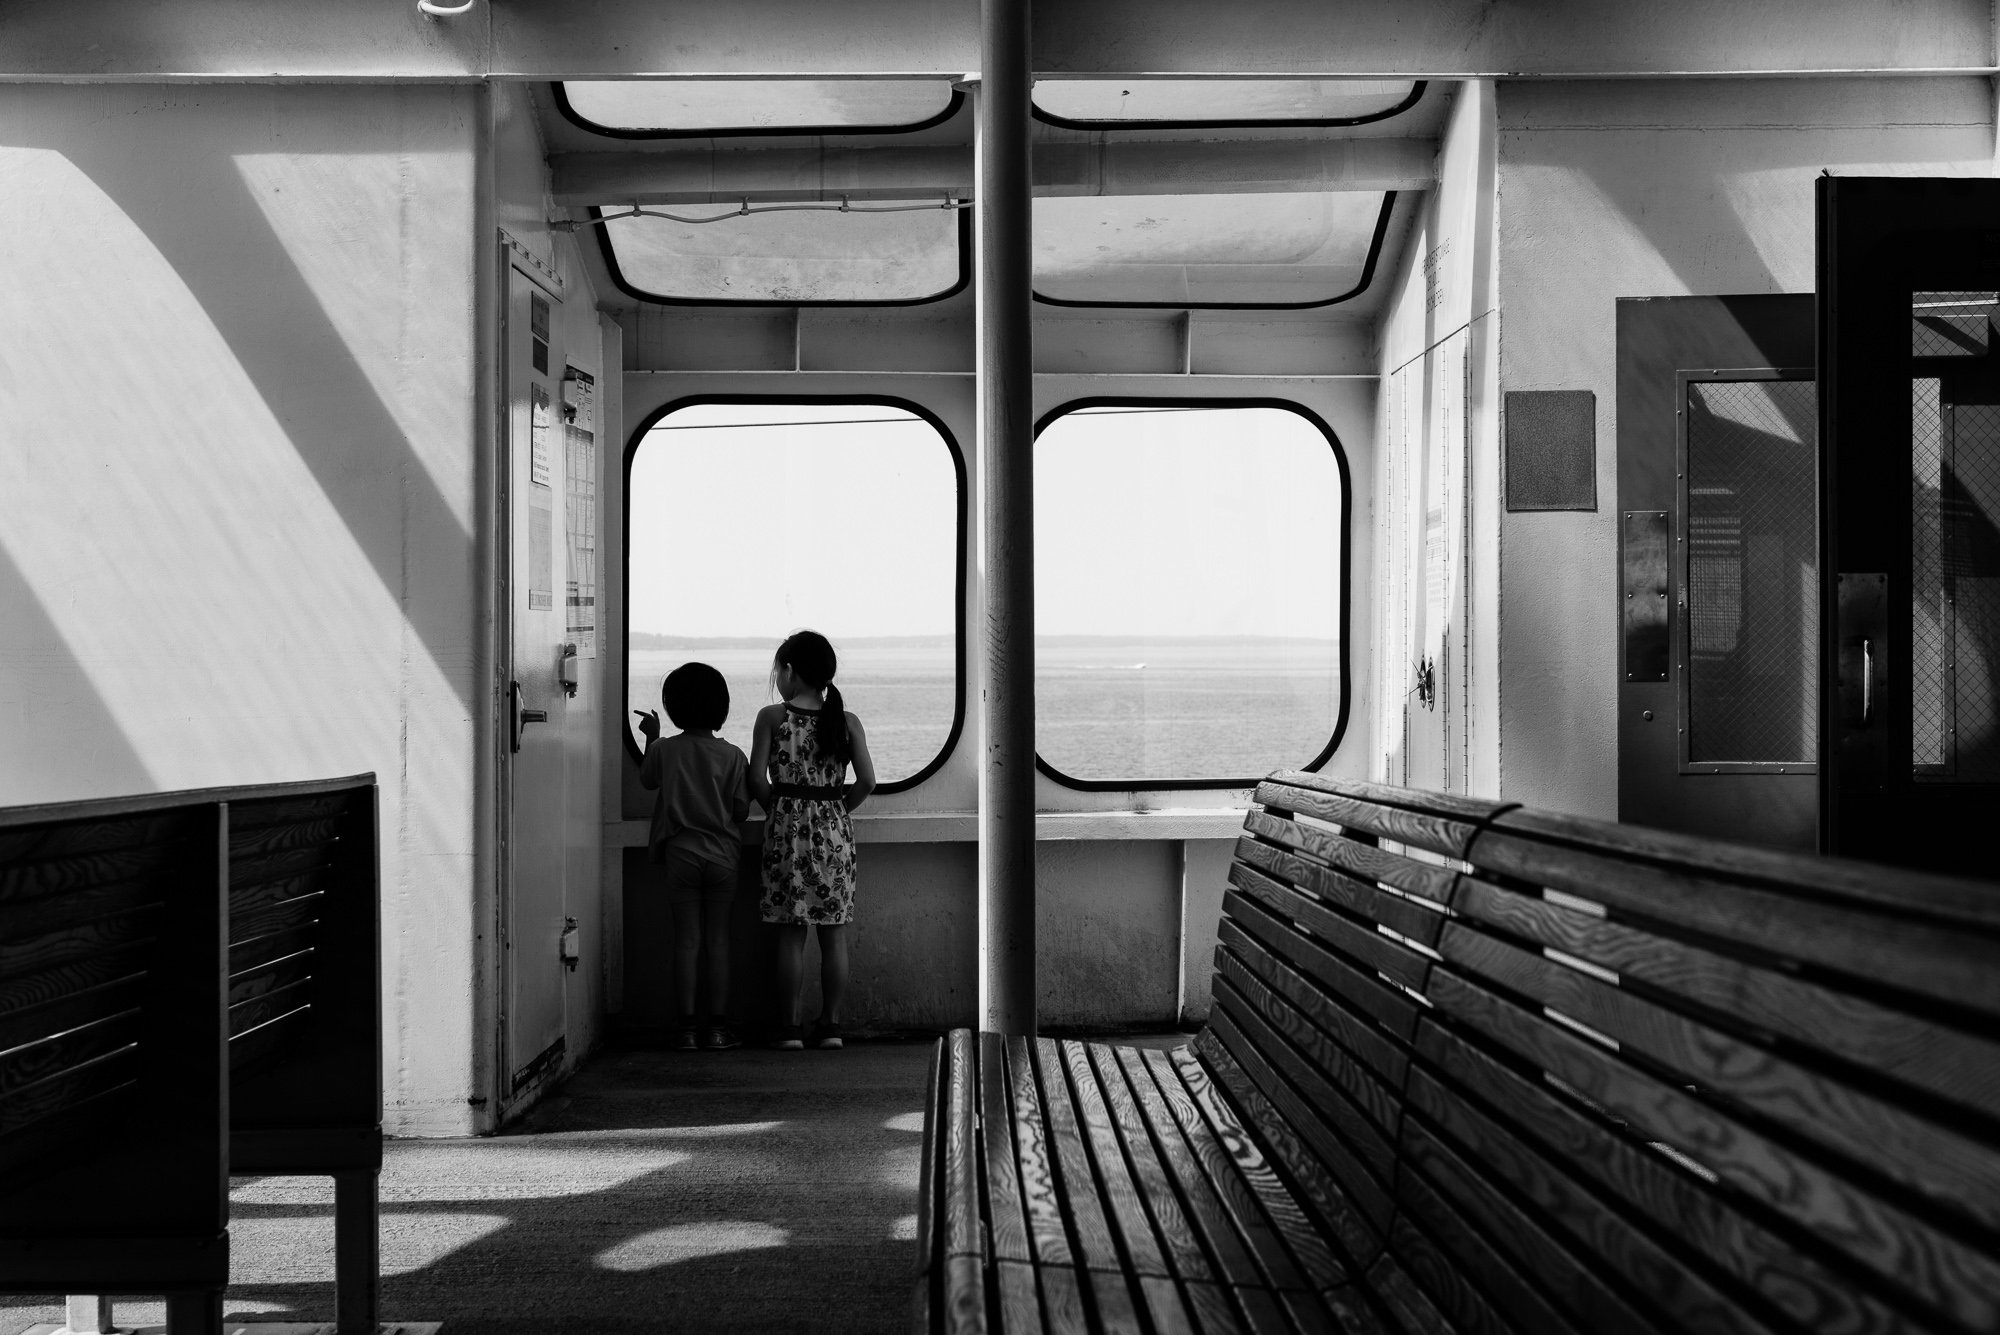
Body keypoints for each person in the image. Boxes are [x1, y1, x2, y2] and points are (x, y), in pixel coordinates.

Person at [748, 630, 876, 1050]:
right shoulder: (846, 720)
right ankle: (832, 1026)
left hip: (786, 831)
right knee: (833, 933)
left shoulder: (772, 718)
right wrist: (834, 810)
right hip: (834, 831)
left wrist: (782, 810)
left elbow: (756, 781)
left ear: (790, 671)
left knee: (790, 933)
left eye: (778, 670)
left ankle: (789, 1028)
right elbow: (867, 782)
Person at [636, 662, 750, 1052]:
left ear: (673, 707)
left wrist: (652, 737)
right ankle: (717, 1030)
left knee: (686, 941)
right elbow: (739, 812)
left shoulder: (666, 750)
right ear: (722, 707)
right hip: (723, 859)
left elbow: (647, 780)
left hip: (681, 856)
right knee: (718, 941)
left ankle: (686, 1031)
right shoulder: (734, 755)